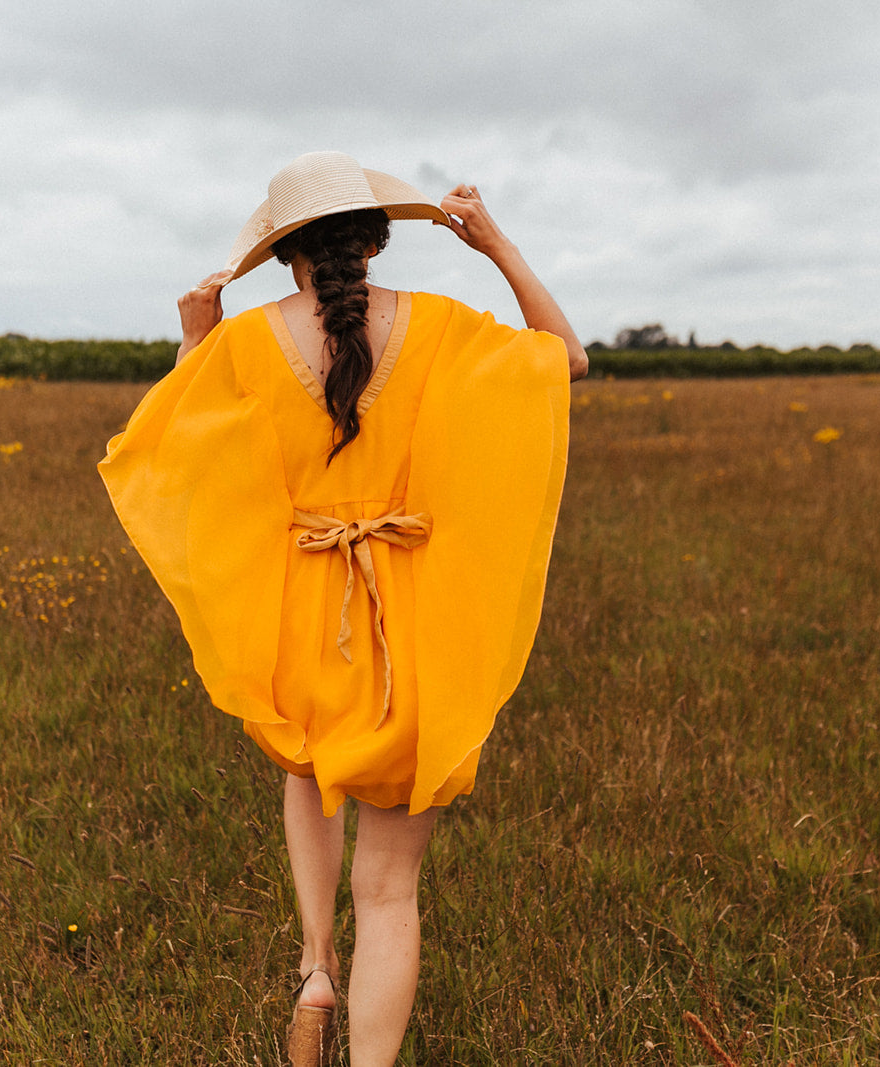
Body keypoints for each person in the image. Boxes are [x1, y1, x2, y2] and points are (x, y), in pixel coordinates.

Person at [98, 151, 587, 1067]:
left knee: (311, 766)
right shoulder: (439, 326)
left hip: (303, 615)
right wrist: (497, 247)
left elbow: (166, 446)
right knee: (390, 887)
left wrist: (197, 340)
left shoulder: (247, 341)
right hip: (413, 622)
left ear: (286, 254)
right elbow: (567, 360)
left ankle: (317, 965)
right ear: (376, 241)